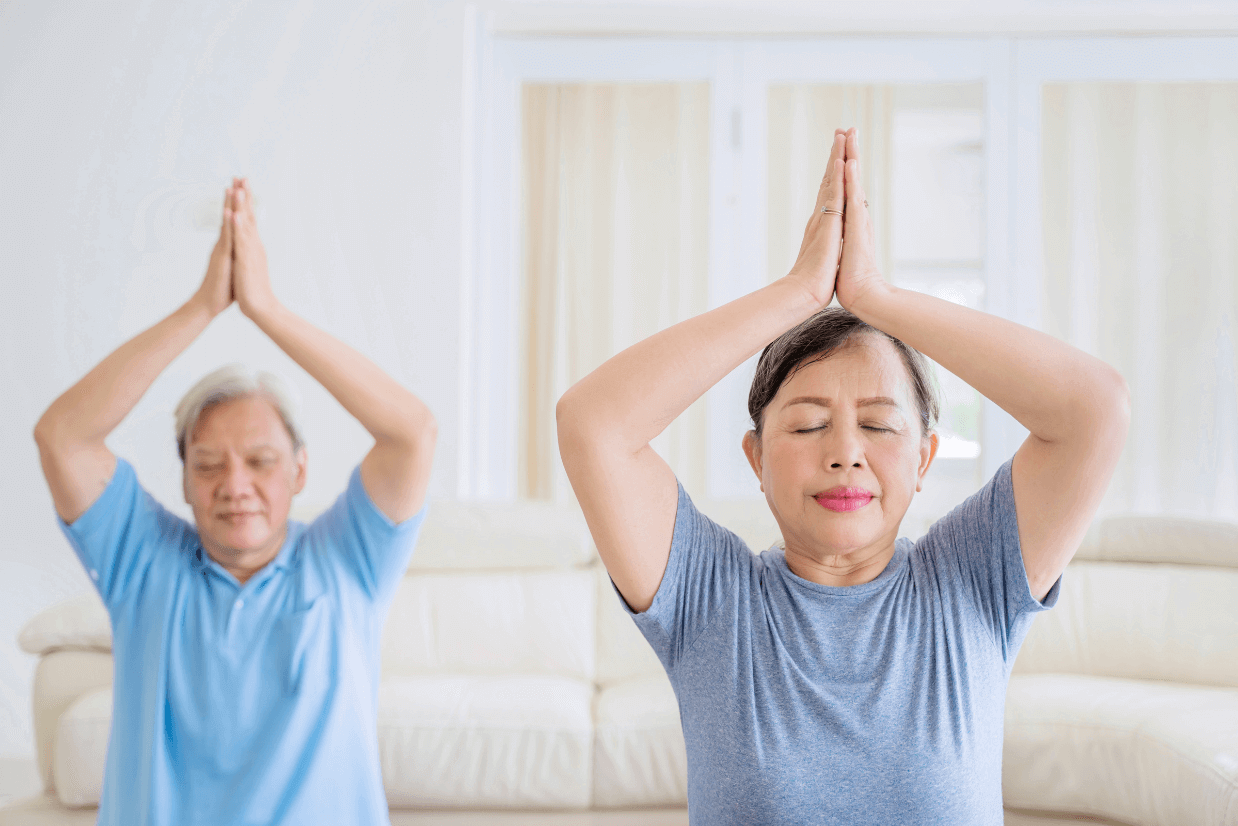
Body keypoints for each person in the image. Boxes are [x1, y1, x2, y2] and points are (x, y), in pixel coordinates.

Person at [556, 128, 1129, 824]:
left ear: (922, 461)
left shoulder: (972, 581)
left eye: (880, 425)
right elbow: (594, 424)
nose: (845, 452)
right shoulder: (712, 602)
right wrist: (800, 291)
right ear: (757, 460)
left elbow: (1094, 410)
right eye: (805, 424)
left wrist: (874, 298)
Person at [33, 178, 436, 825]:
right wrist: (202, 307)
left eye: (261, 461)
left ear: (300, 471)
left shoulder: (348, 558)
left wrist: (267, 309)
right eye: (210, 465)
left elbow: (412, 432)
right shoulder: (143, 561)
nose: (235, 484)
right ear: (186, 479)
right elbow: (62, 437)